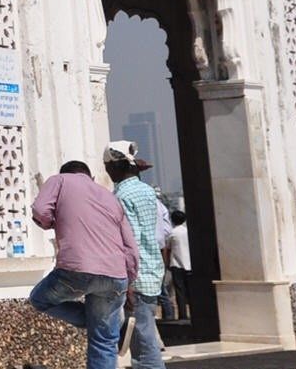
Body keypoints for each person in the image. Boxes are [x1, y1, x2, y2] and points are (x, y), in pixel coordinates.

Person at [27, 160, 139, 369]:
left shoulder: (59, 181)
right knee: (104, 340)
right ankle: (110, 325)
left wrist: (52, 222)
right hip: (116, 275)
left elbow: (41, 210)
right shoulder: (109, 196)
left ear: (64, 174)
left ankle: (106, 324)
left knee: (39, 300)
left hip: (76, 270)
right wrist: (129, 281)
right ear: (91, 178)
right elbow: (130, 244)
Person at [104, 141, 167, 369]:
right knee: (144, 334)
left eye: (107, 167)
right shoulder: (146, 190)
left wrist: (128, 281)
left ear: (115, 167)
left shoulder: (121, 196)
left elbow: (130, 242)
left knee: (143, 344)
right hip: (152, 271)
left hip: (136, 276)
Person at [165, 210, 191, 323]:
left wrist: (166, 264)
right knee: (190, 290)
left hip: (176, 264)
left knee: (180, 291)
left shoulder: (172, 233)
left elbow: (168, 249)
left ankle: (182, 315)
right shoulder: (187, 232)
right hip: (189, 264)